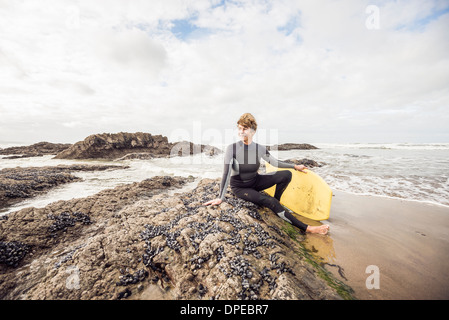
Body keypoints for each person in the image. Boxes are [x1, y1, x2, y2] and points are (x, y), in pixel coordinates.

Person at [203, 113, 329, 235]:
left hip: (255, 180)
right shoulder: (232, 148)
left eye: (245, 128)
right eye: (240, 128)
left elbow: (274, 162)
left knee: (286, 175)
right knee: (269, 201)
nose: (241, 132)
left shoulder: (259, 148)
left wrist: (295, 166)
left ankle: (277, 202)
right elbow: (226, 173)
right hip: (241, 187)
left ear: (252, 131)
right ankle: (308, 229)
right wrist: (220, 197)